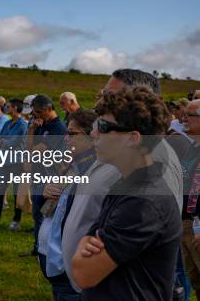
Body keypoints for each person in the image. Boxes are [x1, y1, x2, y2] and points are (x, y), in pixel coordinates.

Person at [71, 86, 181, 301]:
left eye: (103, 126)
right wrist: (87, 241)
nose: (93, 133)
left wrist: (84, 244)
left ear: (133, 138)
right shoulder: (128, 183)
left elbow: (83, 274)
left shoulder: (143, 201)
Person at [102, 68, 183, 210]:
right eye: (104, 95)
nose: (103, 101)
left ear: (142, 100)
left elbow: (154, 215)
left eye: (112, 96)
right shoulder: (119, 140)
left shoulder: (158, 158)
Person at [38, 109, 97, 301]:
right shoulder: (74, 163)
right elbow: (55, 202)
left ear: (92, 136)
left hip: (69, 264)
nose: (66, 139)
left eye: (72, 134)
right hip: (55, 259)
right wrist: (46, 191)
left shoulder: (95, 169)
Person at [23, 94, 67, 258]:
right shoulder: (42, 124)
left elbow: (34, 150)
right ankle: (38, 247)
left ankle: (47, 249)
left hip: (49, 178)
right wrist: (32, 129)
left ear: (49, 109)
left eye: (39, 112)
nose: (36, 116)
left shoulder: (58, 128)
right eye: (34, 113)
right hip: (38, 175)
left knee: (46, 215)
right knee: (37, 215)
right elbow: (28, 146)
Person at [0, 98, 28, 229]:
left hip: (17, 162)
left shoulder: (23, 124)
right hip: (4, 161)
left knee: (17, 192)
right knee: (0, 190)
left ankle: (16, 220)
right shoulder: (7, 123)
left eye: (9, 106)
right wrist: (5, 142)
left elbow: (15, 143)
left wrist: (4, 142)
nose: (7, 108)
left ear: (16, 108)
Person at [181, 99, 200, 295]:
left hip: (197, 226)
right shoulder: (191, 147)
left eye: (189, 115)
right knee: (196, 282)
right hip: (185, 224)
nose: (183, 119)